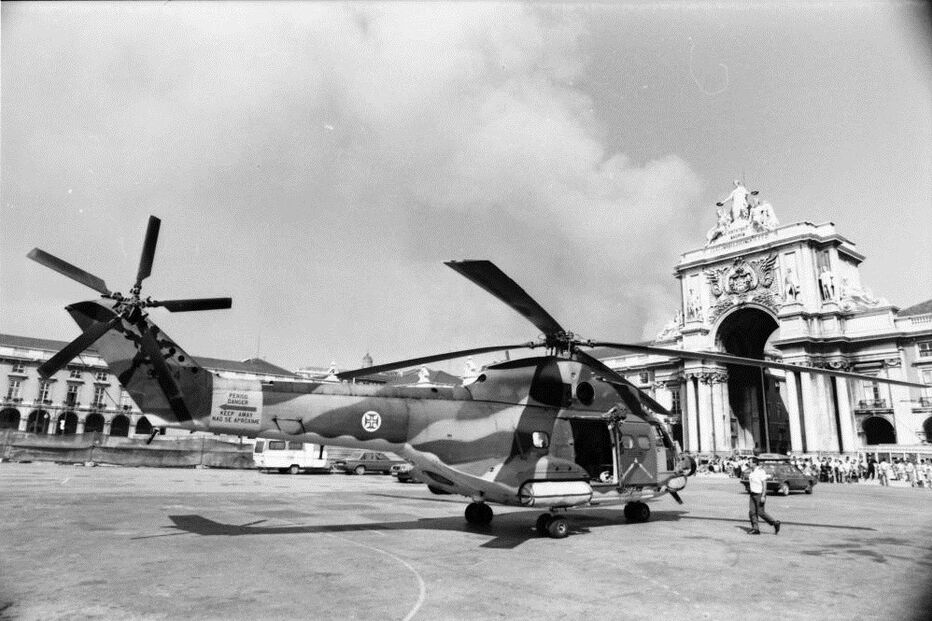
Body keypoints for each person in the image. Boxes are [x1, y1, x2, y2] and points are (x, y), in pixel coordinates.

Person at [747, 458, 781, 535]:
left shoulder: (761, 471)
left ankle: (775, 523)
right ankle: (755, 529)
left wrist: (763, 496)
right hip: (752, 494)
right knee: (752, 512)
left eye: (750, 462)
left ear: (754, 463)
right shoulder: (751, 472)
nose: (748, 463)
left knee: (760, 512)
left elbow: (764, 484)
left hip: (759, 494)